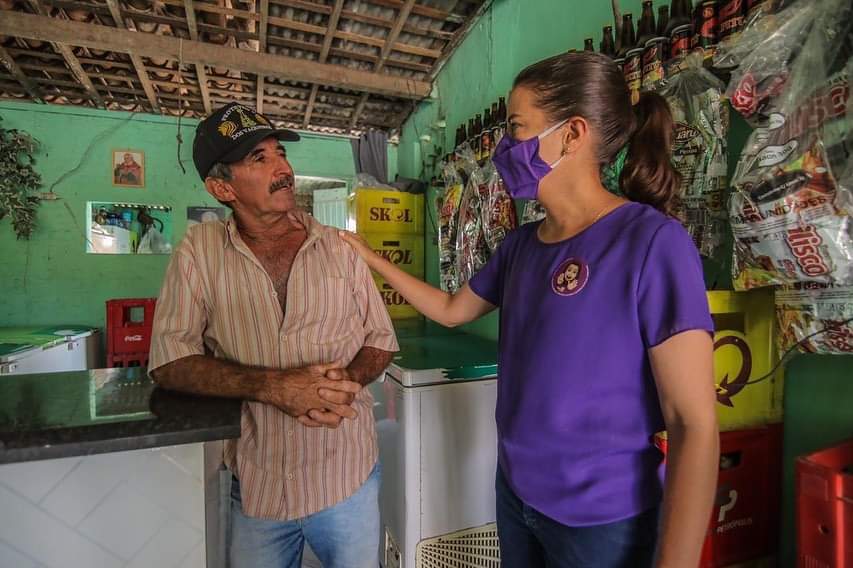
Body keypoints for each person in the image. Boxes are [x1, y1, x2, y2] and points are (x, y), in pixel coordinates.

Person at [340, 52, 719, 568]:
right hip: (518, 499)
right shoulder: (520, 246)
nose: (504, 148)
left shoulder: (651, 242)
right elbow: (452, 309)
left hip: (603, 523)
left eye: (517, 129)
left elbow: (693, 424)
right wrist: (369, 258)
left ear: (572, 134)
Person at [148, 102, 398, 568]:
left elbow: (380, 339)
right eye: (259, 159)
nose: (283, 168)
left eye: (279, 153)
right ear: (222, 187)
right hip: (259, 485)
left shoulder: (338, 248)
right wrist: (273, 387)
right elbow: (169, 361)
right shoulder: (198, 253)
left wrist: (342, 383)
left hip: (347, 474)